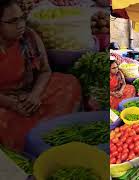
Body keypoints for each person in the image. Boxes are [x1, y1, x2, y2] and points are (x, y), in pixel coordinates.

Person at [0, 0, 81, 151]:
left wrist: (35, 95)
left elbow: (45, 70)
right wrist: (12, 104)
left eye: (22, 18)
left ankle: (49, 129)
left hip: (29, 91)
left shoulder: (29, 37)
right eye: (12, 21)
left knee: (68, 83)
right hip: (4, 100)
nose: (20, 25)